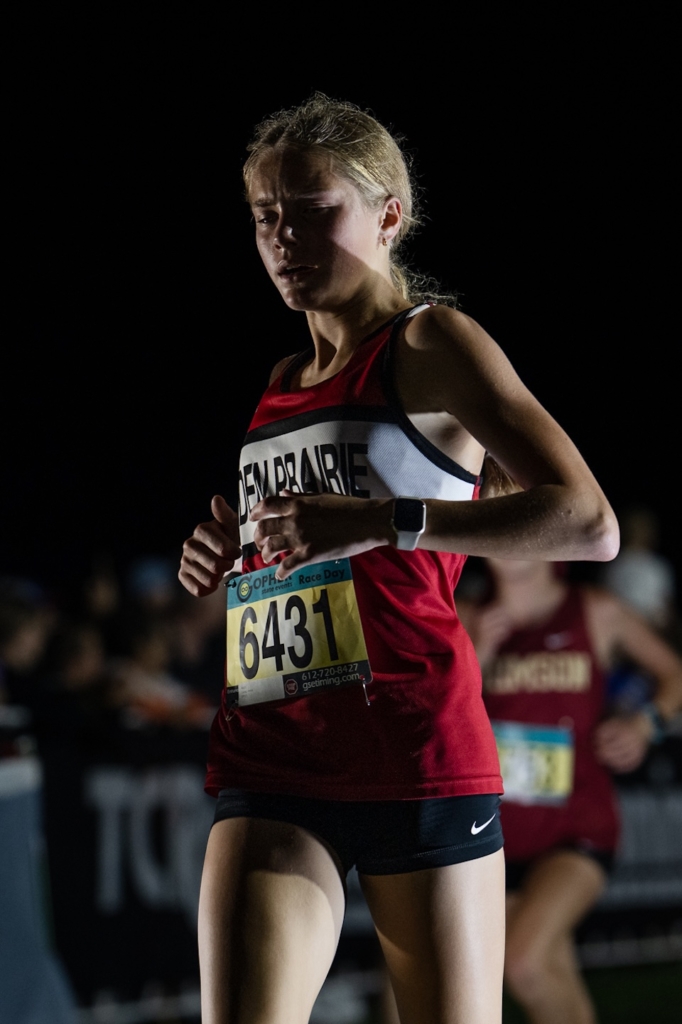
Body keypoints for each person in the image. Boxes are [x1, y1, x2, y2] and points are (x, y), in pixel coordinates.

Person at [178, 93, 619, 1024]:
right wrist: (230, 550)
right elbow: (309, 545)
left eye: (313, 210)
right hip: (273, 745)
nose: (284, 238)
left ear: (388, 215)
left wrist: (383, 522)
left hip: (414, 751)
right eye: (266, 217)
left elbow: (588, 522)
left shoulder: (429, 343)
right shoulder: (281, 382)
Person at [459, 557, 682, 1024]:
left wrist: (646, 724)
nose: (510, 543)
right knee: (543, 973)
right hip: (495, 837)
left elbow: (674, 673)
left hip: (577, 828)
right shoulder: (463, 614)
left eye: (522, 525)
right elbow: (423, 712)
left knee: (521, 961)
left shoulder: (596, 611)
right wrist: (475, 655)